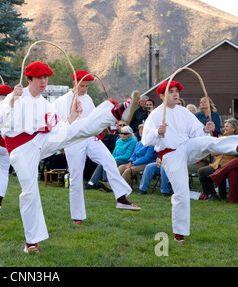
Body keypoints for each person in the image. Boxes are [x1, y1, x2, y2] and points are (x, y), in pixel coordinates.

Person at [0, 61, 141, 253]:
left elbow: (61, 129)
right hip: (20, 148)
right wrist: (12, 98)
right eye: (39, 77)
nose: (43, 81)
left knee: (75, 130)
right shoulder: (17, 96)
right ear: (28, 79)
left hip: (41, 140)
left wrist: (71, 116)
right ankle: (31, 242)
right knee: (30, 192)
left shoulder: (45, 104)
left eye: (45, 77)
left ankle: (116, 112)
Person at [141, 80, 238, 242]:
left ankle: (236, 146)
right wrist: (157, 132)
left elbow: (196, 131)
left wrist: (205, 129)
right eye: (170, 91)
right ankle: (179, 232)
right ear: (161, 95)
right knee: (182, 192)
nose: (175, 94)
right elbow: (146, 140)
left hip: (187, 146)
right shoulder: (156, 114)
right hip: (170, 154)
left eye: (176, 91)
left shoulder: (184, 112)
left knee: (210, 141)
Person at [53, 70, 141, 226]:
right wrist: (72, 118)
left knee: (108, 160)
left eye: (87, 86)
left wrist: (99, 132)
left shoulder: (87, 99)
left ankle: (121, 198)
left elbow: (94, 119)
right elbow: (60, 125)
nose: (85, 89)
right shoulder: (62, 101)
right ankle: (77, 216)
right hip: (73, 140)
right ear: (75, 83)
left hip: (89, 138)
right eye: (82, 86)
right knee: (75, 176)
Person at [198, 118, 238, 201]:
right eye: (224, 126)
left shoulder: (235, 139)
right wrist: (225, 150)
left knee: (227, 172)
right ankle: (211, 194)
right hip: (217, 164)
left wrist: (222, 149)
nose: (224, 128)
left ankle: (222, 195)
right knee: (202, 171)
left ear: (233, 128)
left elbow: (234, 152)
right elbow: (213, 152)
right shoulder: (220, 138)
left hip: (228, 164)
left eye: (227, 126)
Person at [91, 125, 137, 189]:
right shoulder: (118, 141)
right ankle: (93, 183)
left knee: (108, 162)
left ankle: (105, 181)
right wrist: (111, 158)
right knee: (102, 162)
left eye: (125, 134)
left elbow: (127, 156)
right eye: (121, 133)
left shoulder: (133, 142)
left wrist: (112, 159)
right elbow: (114, 152)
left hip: (125, 161)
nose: (122, 135)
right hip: (116, 159)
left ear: (129, 135)